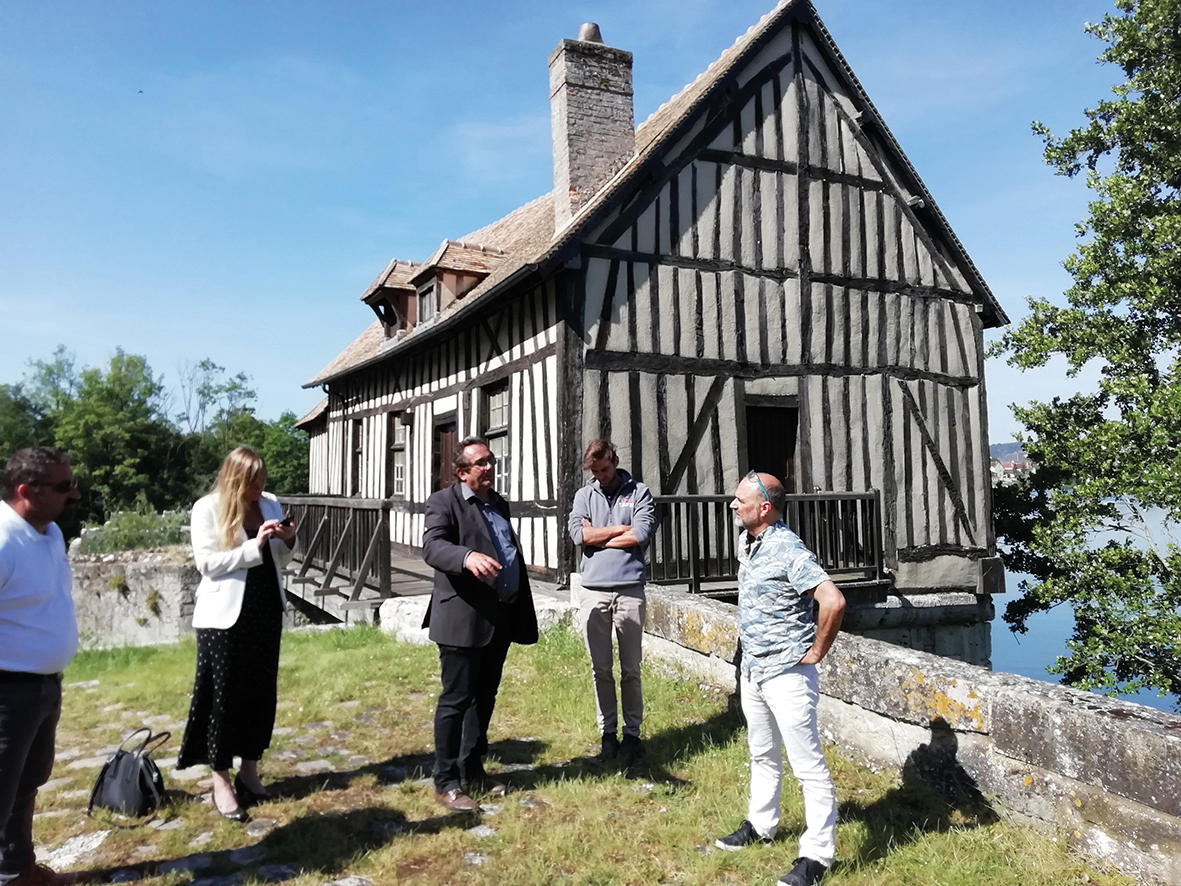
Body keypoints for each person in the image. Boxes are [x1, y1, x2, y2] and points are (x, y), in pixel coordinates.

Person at [714, 471, 846, 886]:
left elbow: (833, 601)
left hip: (788, 673)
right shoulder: (747, 542)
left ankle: (816, 856)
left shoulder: (789, 550)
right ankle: (761, 824)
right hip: (754, 669)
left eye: (741, 500)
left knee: (808, 766)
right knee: (761, 752)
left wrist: (817, 650)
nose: (733, 505)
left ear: (765, 508)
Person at [177, 447, 295, 822]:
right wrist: (252, 546)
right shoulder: (207, 508)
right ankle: (221, 780)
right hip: (223, 617)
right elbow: (207, 564)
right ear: (235, 480)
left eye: (262, 481)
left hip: (265, 608)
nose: (259, 489)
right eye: (252, 483)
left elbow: (281, 559)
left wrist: (287, 539)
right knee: (223, 697)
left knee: (260, 693)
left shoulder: (270, 503)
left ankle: (250, 771)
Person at [422, 436, 538, 812]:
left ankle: (473, 768)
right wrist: (466, 556)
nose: (490, 467)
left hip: (498, 616)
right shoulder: (444, 503)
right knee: (456, 700)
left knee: (484, 698)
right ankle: (446, 781)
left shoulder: (498, 503)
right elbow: (432, 547)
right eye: (481, 463)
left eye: (491, 460)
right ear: (461, 472)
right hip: (461, 619)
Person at [0, 448, 81, 886]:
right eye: (63, 486)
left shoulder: (49, 533)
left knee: (25, 784)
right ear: (26, 491)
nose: (75, 494)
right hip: (7, 692)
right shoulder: (2, 540)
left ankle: (16, 871)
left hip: (43, 686)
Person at [567, 439, 654, 763]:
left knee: (631, 668)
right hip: (593, 590)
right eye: (595, 472)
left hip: (630, 589)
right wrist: (619, 530)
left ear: (614, 461)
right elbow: (579, 535)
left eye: (604, 469)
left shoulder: (639, 493)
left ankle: (631, 735)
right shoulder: (583, 495)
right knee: (600, 668)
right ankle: (608, 734)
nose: (600, 476)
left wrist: (599, 536)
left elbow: (640, 533)